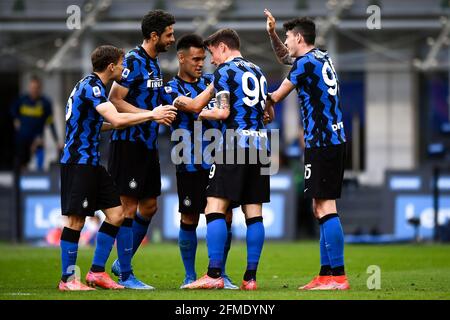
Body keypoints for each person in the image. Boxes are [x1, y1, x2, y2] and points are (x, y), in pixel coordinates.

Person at [58, 45, 176, 291]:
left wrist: (117, 125)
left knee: (117, 214)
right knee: (76, 220)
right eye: (122, 64)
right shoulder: (92, 86)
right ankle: (68, 280)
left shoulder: (92, 86)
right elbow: (117, 117)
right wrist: (151, 115)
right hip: (78, 162)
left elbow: (98, 124)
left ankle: (97, 272)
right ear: (111, 66)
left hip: (92, 163)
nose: (124, 68)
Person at [172, 29, 271, 290]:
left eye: (213, 52)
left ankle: (213, 274)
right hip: (261, 145)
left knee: (213, 208)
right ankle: (250, 278)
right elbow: (266, 110)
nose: (211, 59)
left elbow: (222, 112)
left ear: (223, 48)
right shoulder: (258, 71)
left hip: (234, 143)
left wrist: (194, 109)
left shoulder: (225, 72)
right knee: (254, 213)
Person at [264, 9, 349, 290]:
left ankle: (338, 276)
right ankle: (326, 274)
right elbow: (285, 58)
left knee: (326, 205)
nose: (286, 43)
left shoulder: (304, 65)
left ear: (299, 38)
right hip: (330, 141)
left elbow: (275, 96)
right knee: (319, 206)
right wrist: (273, 34)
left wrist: (243, 101)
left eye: (288, 38)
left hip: (323, 142)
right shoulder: (320, 57)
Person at [161, 34, 238, 289]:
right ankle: (189, 274)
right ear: (180, 58)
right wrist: (215, 85)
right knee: (190, 217)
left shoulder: (210, 82)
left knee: (224, 216)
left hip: (219, 161)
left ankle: (220, 273)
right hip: (189, 162)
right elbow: (192, 107)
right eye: (195, 59)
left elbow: (228, 110)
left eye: (203, 59)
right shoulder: (171, 89)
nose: (200, 63)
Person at [107, 10, 176, 289]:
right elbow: (115, 100)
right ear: (154, 35)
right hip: (129, 144)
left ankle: (121, 262)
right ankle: (125, 273)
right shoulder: (134, 61)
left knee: (149, 206)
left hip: (147, 145)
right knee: (128, 207)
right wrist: (150, 114)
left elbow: (158, 100)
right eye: (169, 34)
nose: (173, 38)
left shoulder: (155, 64)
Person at [10, 76, 61, 171]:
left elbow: (51, 123)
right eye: (32, 87)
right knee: (20, 164)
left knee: (39, 162)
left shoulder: (45, 103)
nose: (34, 90)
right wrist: (16, 119)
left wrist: (57, 140)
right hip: (22, 139)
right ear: (29, 88)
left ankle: (39, 177)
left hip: (37, 138)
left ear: (40, 88)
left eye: (36, 88)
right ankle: (20, 182)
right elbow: (12, 110)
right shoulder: (22, 100)